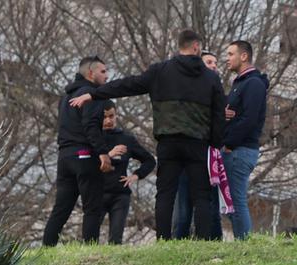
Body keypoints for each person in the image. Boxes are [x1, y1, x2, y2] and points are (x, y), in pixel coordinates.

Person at [72, 29, 225, 241]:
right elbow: (219, 114)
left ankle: (163, 240)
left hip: (168, 142)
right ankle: (204, 240)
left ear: (179, 45)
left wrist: (93, 93)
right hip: (198, 143)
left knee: (165, 193)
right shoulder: (211, 78)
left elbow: (127, 85)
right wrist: (215, 144)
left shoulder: (160, 71)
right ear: (197, 47)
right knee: (201, 194)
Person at [42, 56, 115, 247]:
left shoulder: (65, 97)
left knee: (61, 208)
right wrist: (102, 152)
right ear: (91, 73)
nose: (106, 76)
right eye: (103, 71)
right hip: (85, 154)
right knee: (93, 208)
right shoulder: (92, 94)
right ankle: (90, 249)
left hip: (65, 156)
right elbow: (90, 125)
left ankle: (47, 248)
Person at [171, 50, 222, 240]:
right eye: (209, 62)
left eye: (215, 62)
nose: (214, 65)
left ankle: (211, 242)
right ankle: (178, 242)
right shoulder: (187, 91)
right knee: (183, 205)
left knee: (210, 205)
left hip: (209, 157)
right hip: (187, 155)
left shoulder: (217, 89)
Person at [220, 39, 267, 241]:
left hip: (240, 151)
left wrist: (229, 143)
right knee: (230, 201)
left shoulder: (253, 83)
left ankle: (245, 244)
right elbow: (239, 114)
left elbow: (250, 119)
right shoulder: (240, 83)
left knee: (236, 200)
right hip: (236, 149)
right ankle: (242, 243)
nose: (227, 58)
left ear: (244, 56)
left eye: (231, 54)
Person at [100, 104, 156, 245]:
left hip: (120, 194)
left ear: (116, 116)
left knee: (116, 240)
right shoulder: (93, 138)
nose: (108, 120)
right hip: (97, 193)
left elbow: (149, 161)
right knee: (90, 237)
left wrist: (136, 175)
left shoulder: (126, 139)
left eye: (111, 116)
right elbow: (84, 166)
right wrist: (109, 155)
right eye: (104, 117)